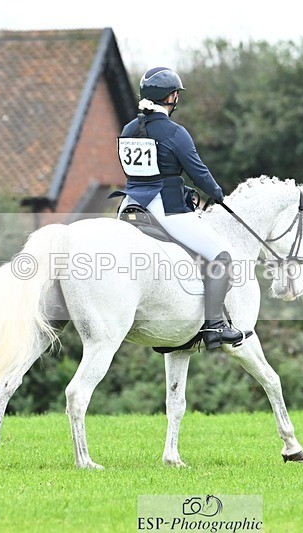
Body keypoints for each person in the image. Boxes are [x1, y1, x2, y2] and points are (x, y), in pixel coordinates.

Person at [112, 66, 250, 350]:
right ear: (171, 96)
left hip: (129, 205)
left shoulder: (128, 129)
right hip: (165, 208)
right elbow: (198, 172)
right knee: (220, 256)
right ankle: (214, 325)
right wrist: (217, 194)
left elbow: (137, 171)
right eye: (176, 94)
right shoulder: (175, 132)